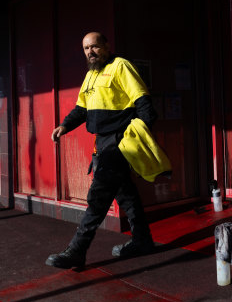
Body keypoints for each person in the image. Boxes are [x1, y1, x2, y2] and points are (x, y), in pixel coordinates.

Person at [46, 32, 156, 269]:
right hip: (102, 143)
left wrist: (140, 134)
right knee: (126, 194)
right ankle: (142, 240)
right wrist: (64, 126)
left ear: (106, 46)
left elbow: (143, 102)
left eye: (95, 47)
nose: (90, 52)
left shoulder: (120, 66)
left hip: (119, 142)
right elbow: (81, 109)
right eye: (86, 48)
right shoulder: (90, 76)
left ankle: (77, 251)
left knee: (98, 198)